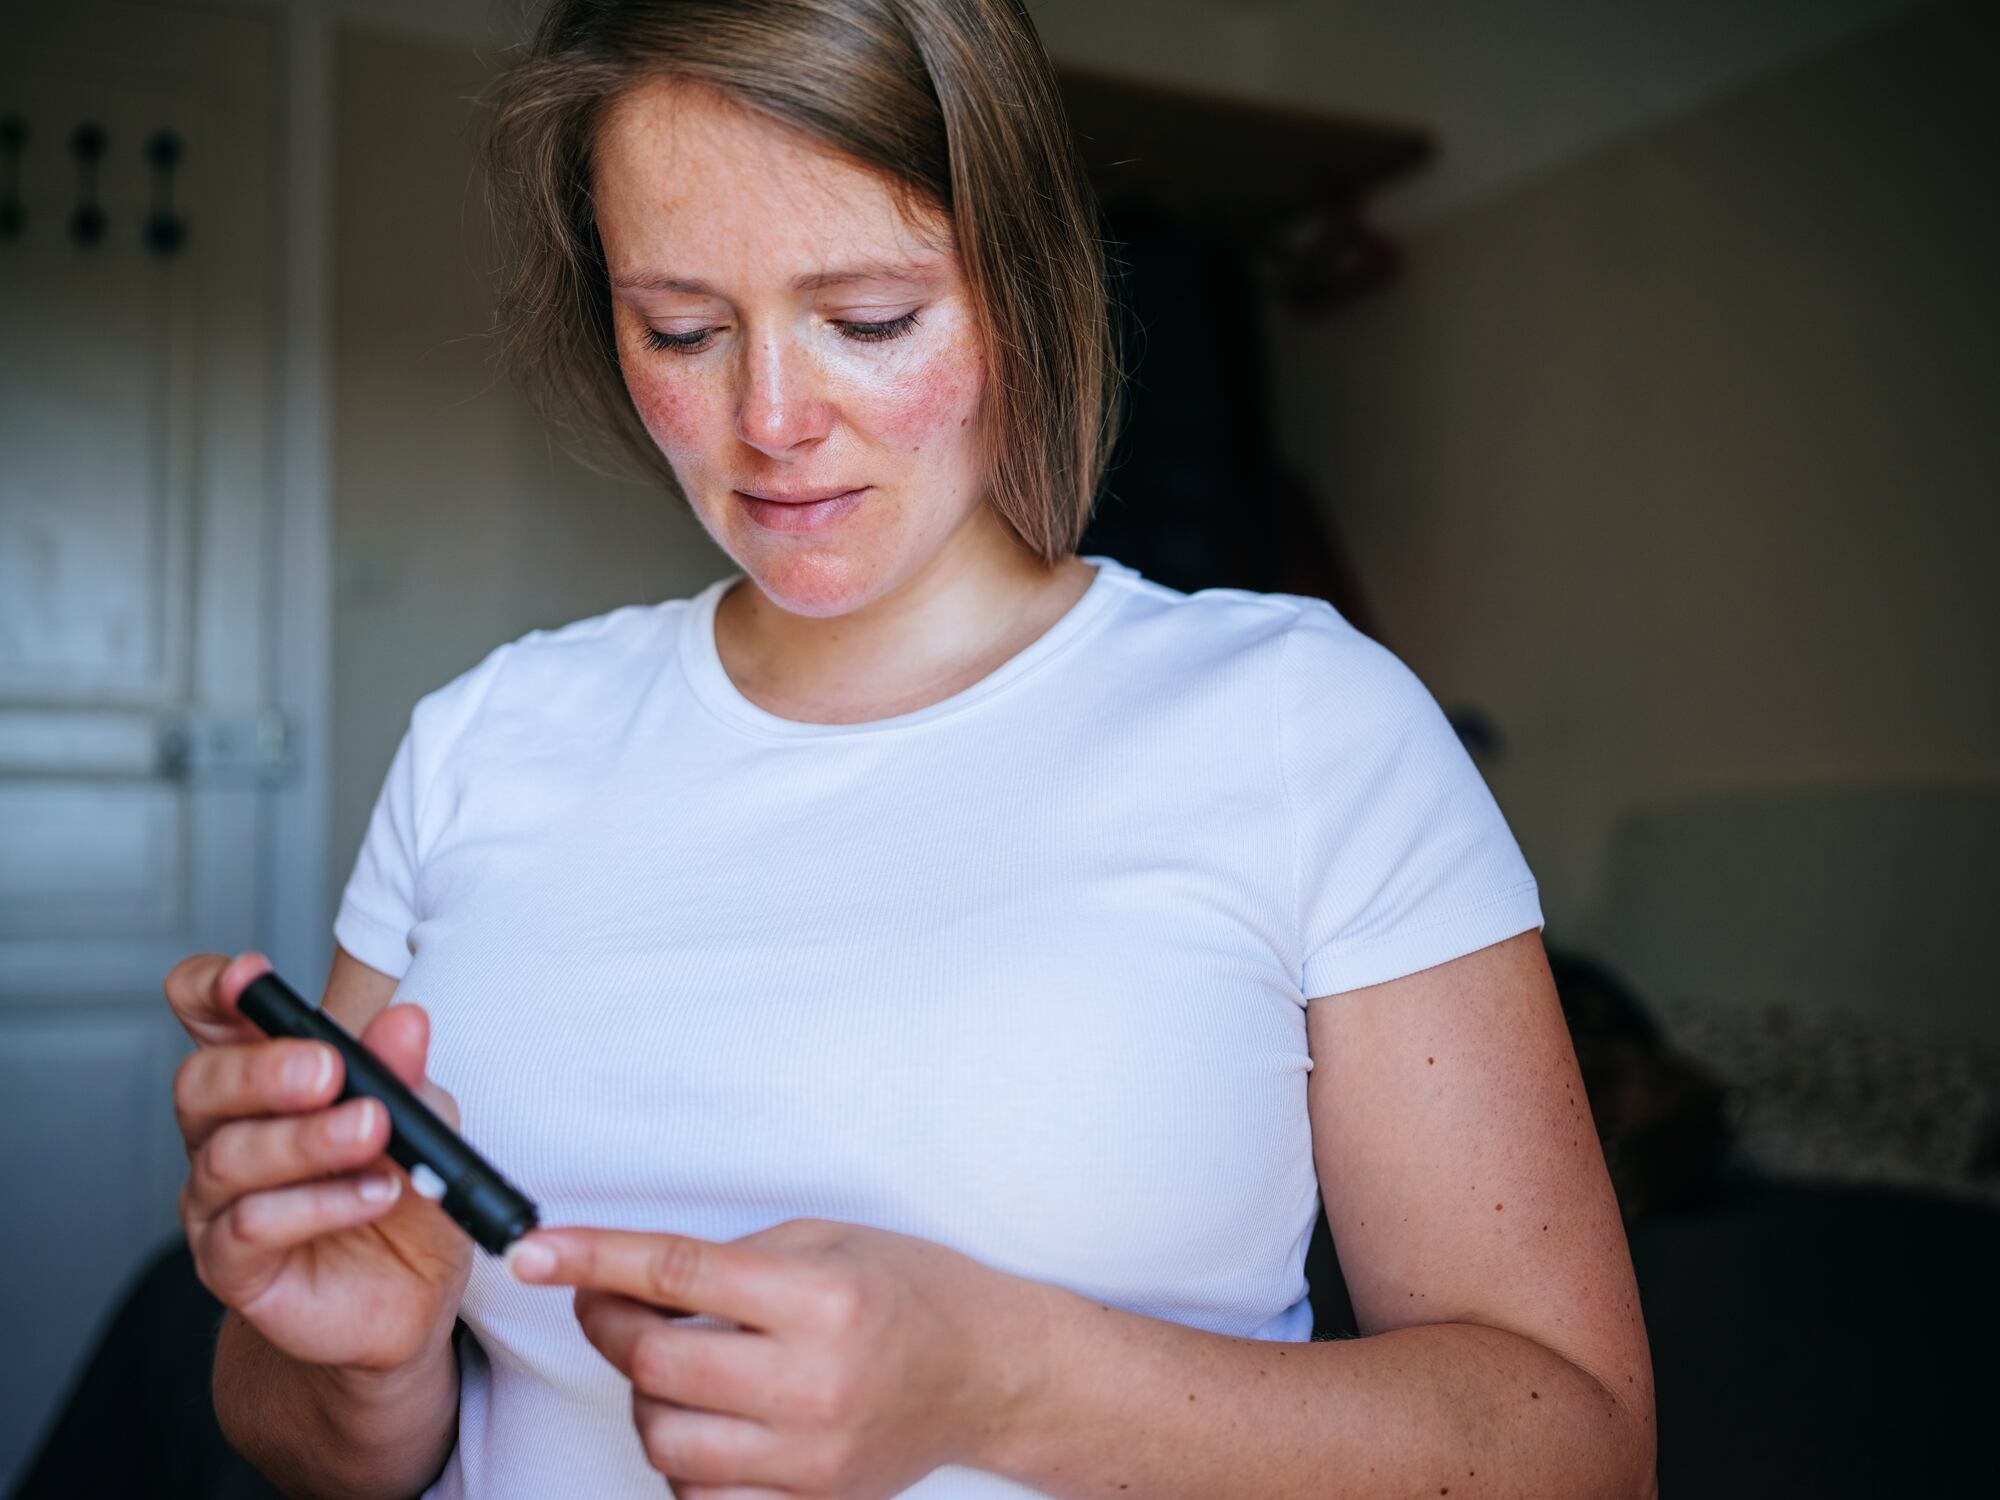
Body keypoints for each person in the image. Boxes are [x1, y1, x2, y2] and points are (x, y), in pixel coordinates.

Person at [162, 2, 1657, 1497]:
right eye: (681, 328)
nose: (769, 421)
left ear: (1019, 280)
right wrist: (360, 1370)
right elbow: (287, 1417)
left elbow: (1582, 1450)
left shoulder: (1306, 727)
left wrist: (1003, 1386)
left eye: (869, 318)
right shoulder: (484, 741)